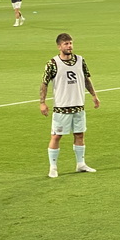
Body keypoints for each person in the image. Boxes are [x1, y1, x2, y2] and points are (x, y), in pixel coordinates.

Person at [40, 33, 100, 178]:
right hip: (62, 108)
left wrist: (94, 95)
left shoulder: (80, 60)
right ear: (59, 46)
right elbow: (44, 83)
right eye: (66, 44)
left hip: (78, 105)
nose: (69, 46)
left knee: (80, 135)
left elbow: (86, 79)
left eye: (71, 43)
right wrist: (42, 103)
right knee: (56, 136)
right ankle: (53, 167)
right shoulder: (53, 63)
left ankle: (81, 164)